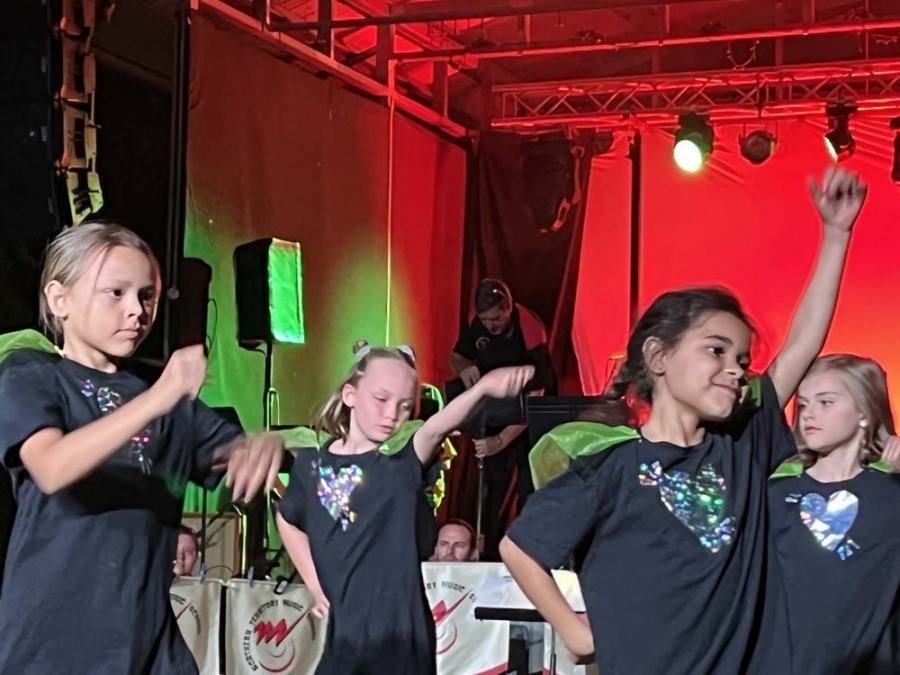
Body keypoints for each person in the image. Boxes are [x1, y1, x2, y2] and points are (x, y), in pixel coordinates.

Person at [499, 167, 867, 673]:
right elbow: (518, 546)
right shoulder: (610, 467)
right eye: (716, 350)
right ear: (659, 357)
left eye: (740, 359)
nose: (735, 369)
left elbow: (801, 345)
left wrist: (836, 235)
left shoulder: (741, 441)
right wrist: (573, 630)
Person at [0, 222, 284, 674]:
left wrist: (262, 448)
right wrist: (159, 396)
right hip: (56, 640)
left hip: (146, 639)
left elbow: (240, 455)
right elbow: (50, 467)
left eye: (146, 295)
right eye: (115, 293)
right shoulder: (33, 376)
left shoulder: (166, 403)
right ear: (60, 299)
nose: (136, 310)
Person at [276, 343, 532, 674]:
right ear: (350, 395)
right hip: (346, 640)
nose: (391, 415)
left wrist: (483, 387)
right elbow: (288, 518)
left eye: (404, 406)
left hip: (402, 637)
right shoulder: (312, 466)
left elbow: (437, 426)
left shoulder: (400, 463)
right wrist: (313, 581)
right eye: (381, 399)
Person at [766, 355, 900, 673]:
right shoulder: (776, 491)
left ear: (864, 411)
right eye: (804, 405)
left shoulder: (892, 491)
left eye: (826, 402)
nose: (809, 414)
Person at [450, 279, 556, 559]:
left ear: (508, 309)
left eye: (496, 319)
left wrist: (502, 439)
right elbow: (458, 354)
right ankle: (486, 553)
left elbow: (537, 394)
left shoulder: (530, 330)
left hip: (527, 418)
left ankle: (527, 554)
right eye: (485, 320)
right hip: (494, 410)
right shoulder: (478, 324)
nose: (491, 326)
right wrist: (465, 367)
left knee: (528, 488)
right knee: (489, 491)